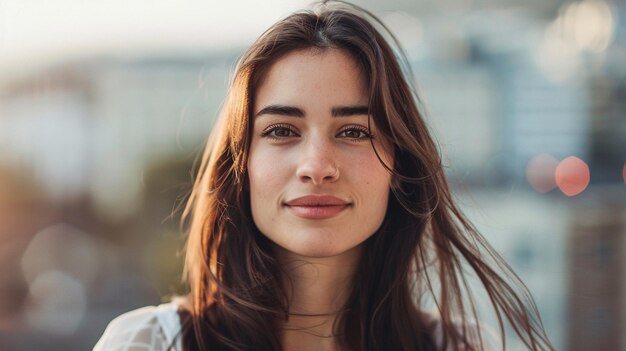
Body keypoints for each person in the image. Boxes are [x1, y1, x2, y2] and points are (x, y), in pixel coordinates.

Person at [94, 1, 554, 350]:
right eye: (281, 130)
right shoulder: (149, 344)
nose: (317, 166)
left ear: (399, 166)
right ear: (242, 165)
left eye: (353, 131)